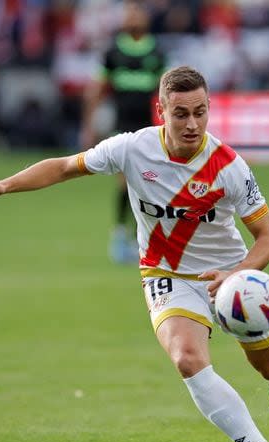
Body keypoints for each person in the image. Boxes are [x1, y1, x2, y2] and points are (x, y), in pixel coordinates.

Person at [0, 66, 269, 442]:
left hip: (229, 277)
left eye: (200, 112)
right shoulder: (131, 148)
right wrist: (4, 186)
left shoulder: (229, 166)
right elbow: (65, 166)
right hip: (165, 274)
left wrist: (236, 274)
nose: (192, 124)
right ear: (162, 111)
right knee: (187, 360)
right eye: (180, 114)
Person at [81, 0, 165, 264]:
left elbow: (167, 92)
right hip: (122, 128)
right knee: (124, 183)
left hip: (152, 130)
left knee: (152, 185)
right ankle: (120, 236)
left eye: (136, 11)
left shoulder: (157, 52)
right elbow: (96, 89)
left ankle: (149, 238)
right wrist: (89, 125)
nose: (132, 17)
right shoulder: (113, 51)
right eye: (128, 12)